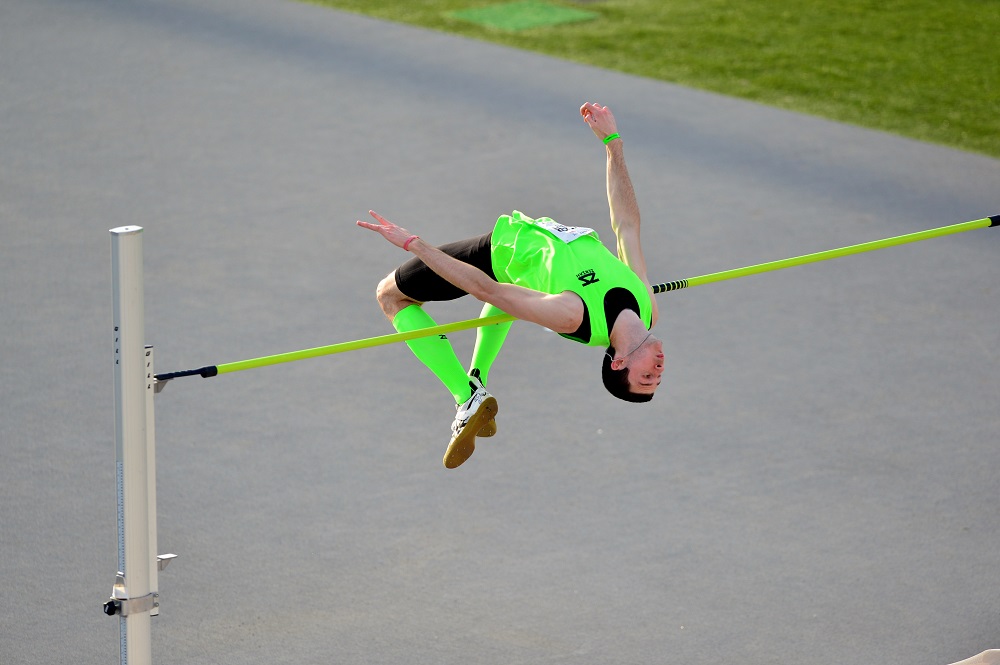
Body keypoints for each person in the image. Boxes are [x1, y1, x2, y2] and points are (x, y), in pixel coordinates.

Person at [357, 102, 663, 469]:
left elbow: (489, 290)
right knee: (517, 296)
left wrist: (415, 245)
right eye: (656, 378)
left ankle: (465, 396)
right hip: (518, 264)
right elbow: (626, 225)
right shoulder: (647, 306)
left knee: (390, 296)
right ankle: (477, 379)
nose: (658, 371)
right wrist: (613, 144)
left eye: (647, 377)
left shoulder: (573, 316)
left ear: (620, 363)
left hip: (497, 253)